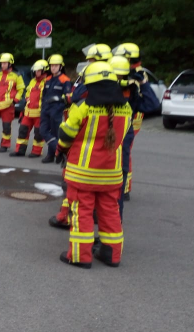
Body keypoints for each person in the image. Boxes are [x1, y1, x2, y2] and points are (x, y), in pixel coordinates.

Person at [55, 61, 131, 268]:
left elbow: (66, 135)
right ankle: (112, 254)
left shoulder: (83, 107)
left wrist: (60, 149)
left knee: (82, 213)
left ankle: (80, 256)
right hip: (111, 174)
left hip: (83, 174)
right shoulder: (126, 109)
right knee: (110, 212)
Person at [109, 53, 160, 217]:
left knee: (117, 192)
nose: (118, 79)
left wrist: (143, 84)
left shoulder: (131, 93)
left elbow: (152, 105)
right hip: (105, 145)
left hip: (121, 142)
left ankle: (111, 233)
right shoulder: (102, 91)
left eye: (121, 75)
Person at [39, 53, 73, 163]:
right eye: (52, 65)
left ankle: (51, 155)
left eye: (55, 65)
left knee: (54, 133)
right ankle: (60, 152)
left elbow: (67, 96)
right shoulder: (47, 79)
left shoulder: (65, 79)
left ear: (60, 66)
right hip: (46, 109)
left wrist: (58, 101)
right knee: (43, 131)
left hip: (56, 109)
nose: (53, 67)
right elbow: (44, 95)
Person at [11, 60, 48, 158]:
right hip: (28, 112)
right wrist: (24, 108)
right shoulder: (32, 81)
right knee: (22, 130)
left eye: (39, 71)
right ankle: (20, 150)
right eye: (35, 71)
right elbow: (28, 96)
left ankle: (36, 152)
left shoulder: (47, 82)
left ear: (44, 70)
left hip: (40, 113)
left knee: (38, 134)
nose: (36, 72)